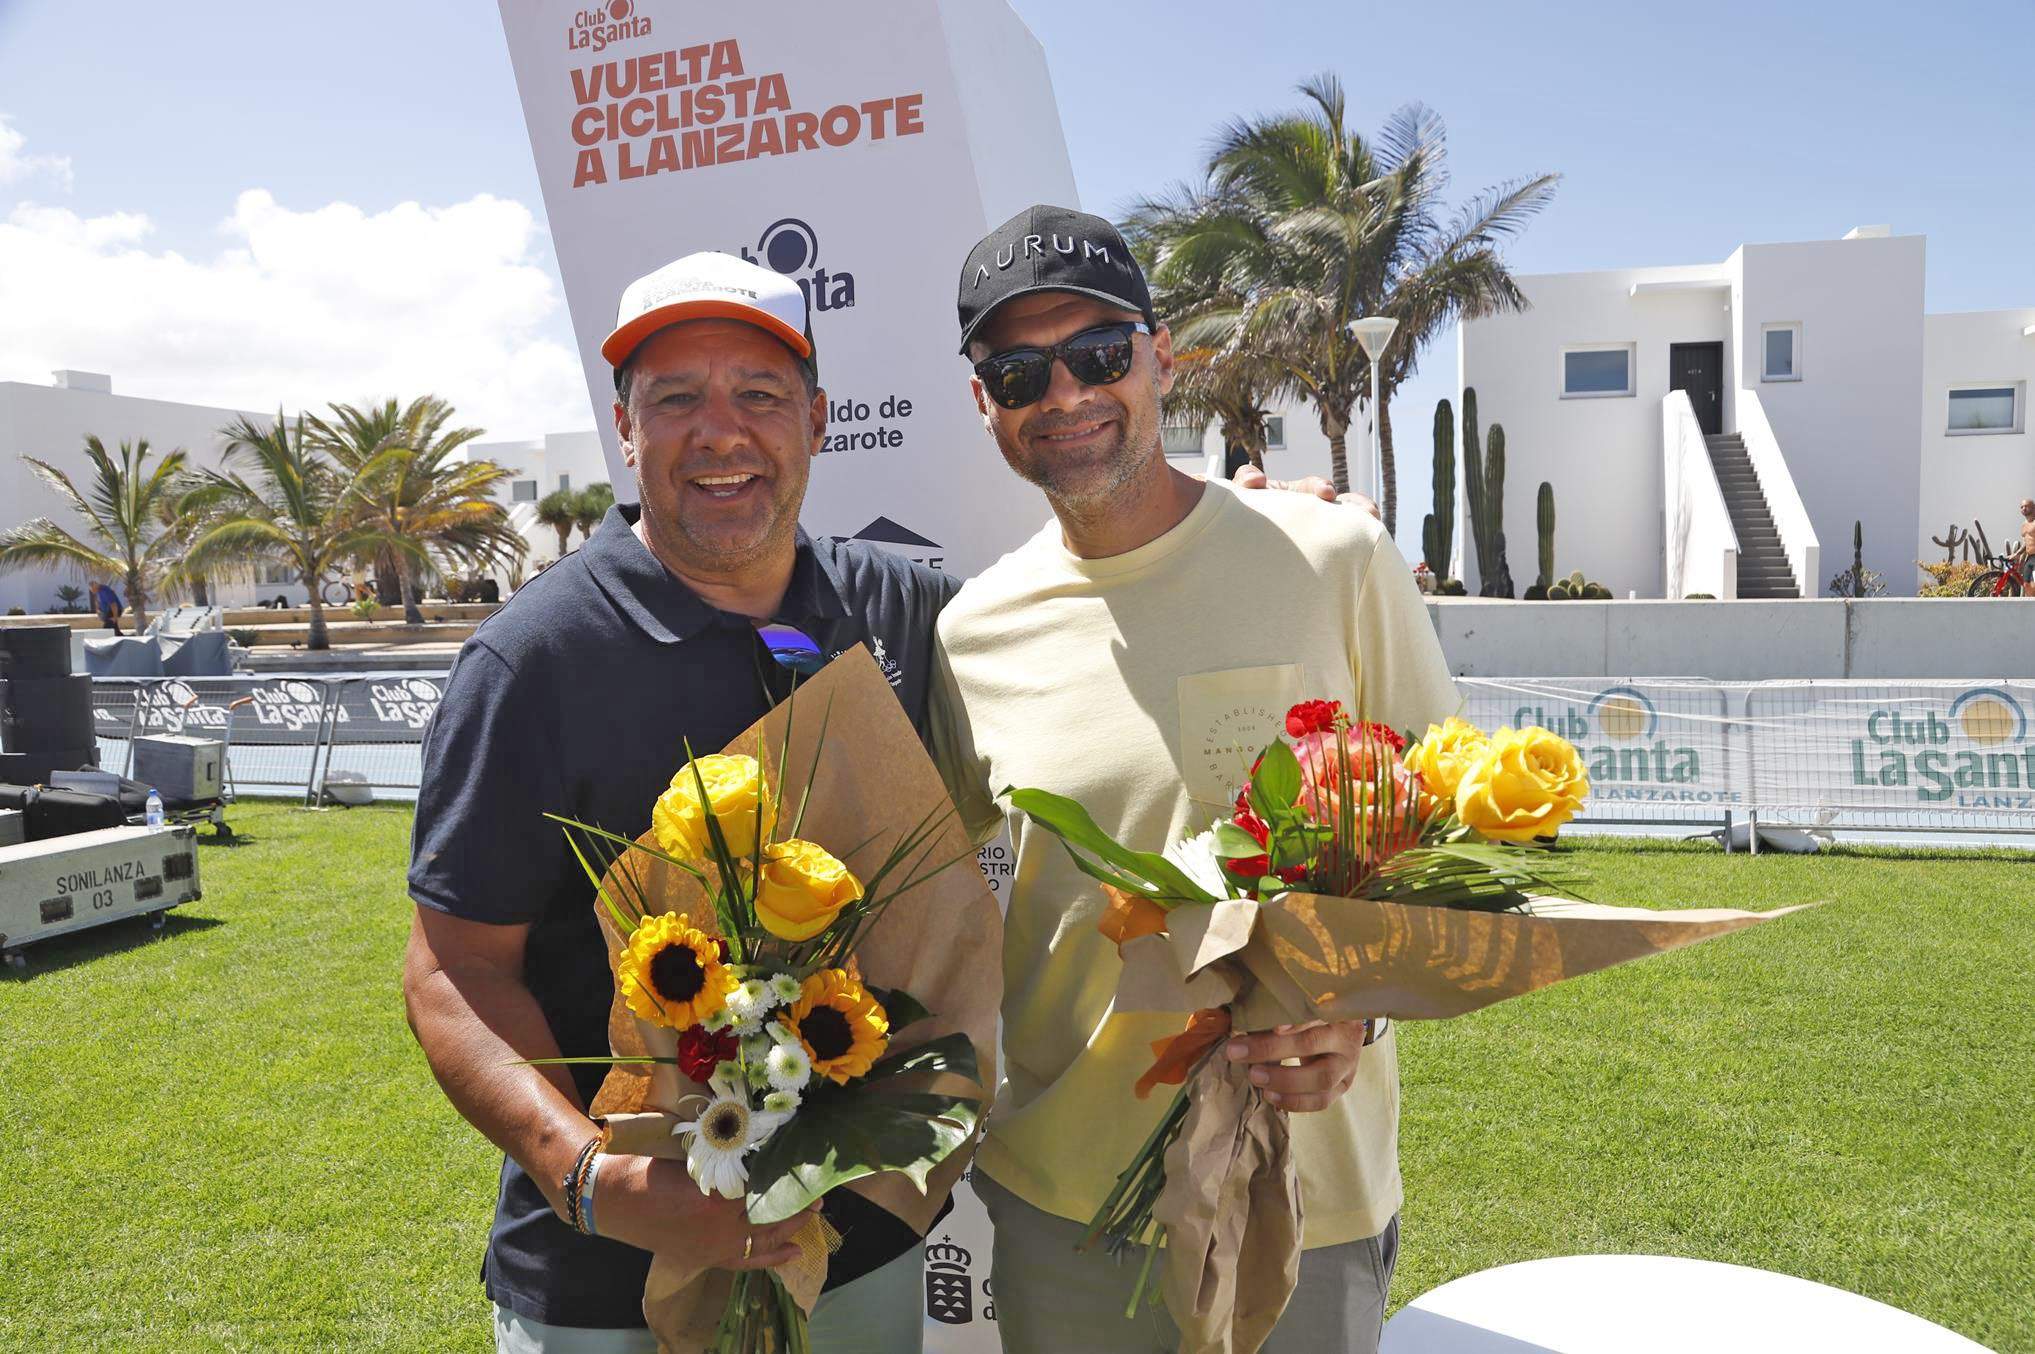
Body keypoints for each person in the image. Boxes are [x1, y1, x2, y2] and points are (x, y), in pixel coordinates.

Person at [402, 251, 963, 1354]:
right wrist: (595, 1180)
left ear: (817, 419)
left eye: (759, 394)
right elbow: (454, 972)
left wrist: (1232, 515)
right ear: (625, 428)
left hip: (855, 1255)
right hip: (606, 1283)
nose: (721, 431)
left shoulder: (899, 603)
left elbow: (1077, 630)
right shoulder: (533, 659)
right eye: (675, 399)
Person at [928, 205, 1461, 1353]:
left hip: (1302, 1194)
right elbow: (927, 888)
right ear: (985, 404)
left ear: (1161, 356)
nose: (1064, 393)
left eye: (1099, 352)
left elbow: (1451, 835)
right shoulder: (971, 631)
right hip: (1061, 1205)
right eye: (1019, 371)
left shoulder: (1332, 557)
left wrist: (1359, 1014)